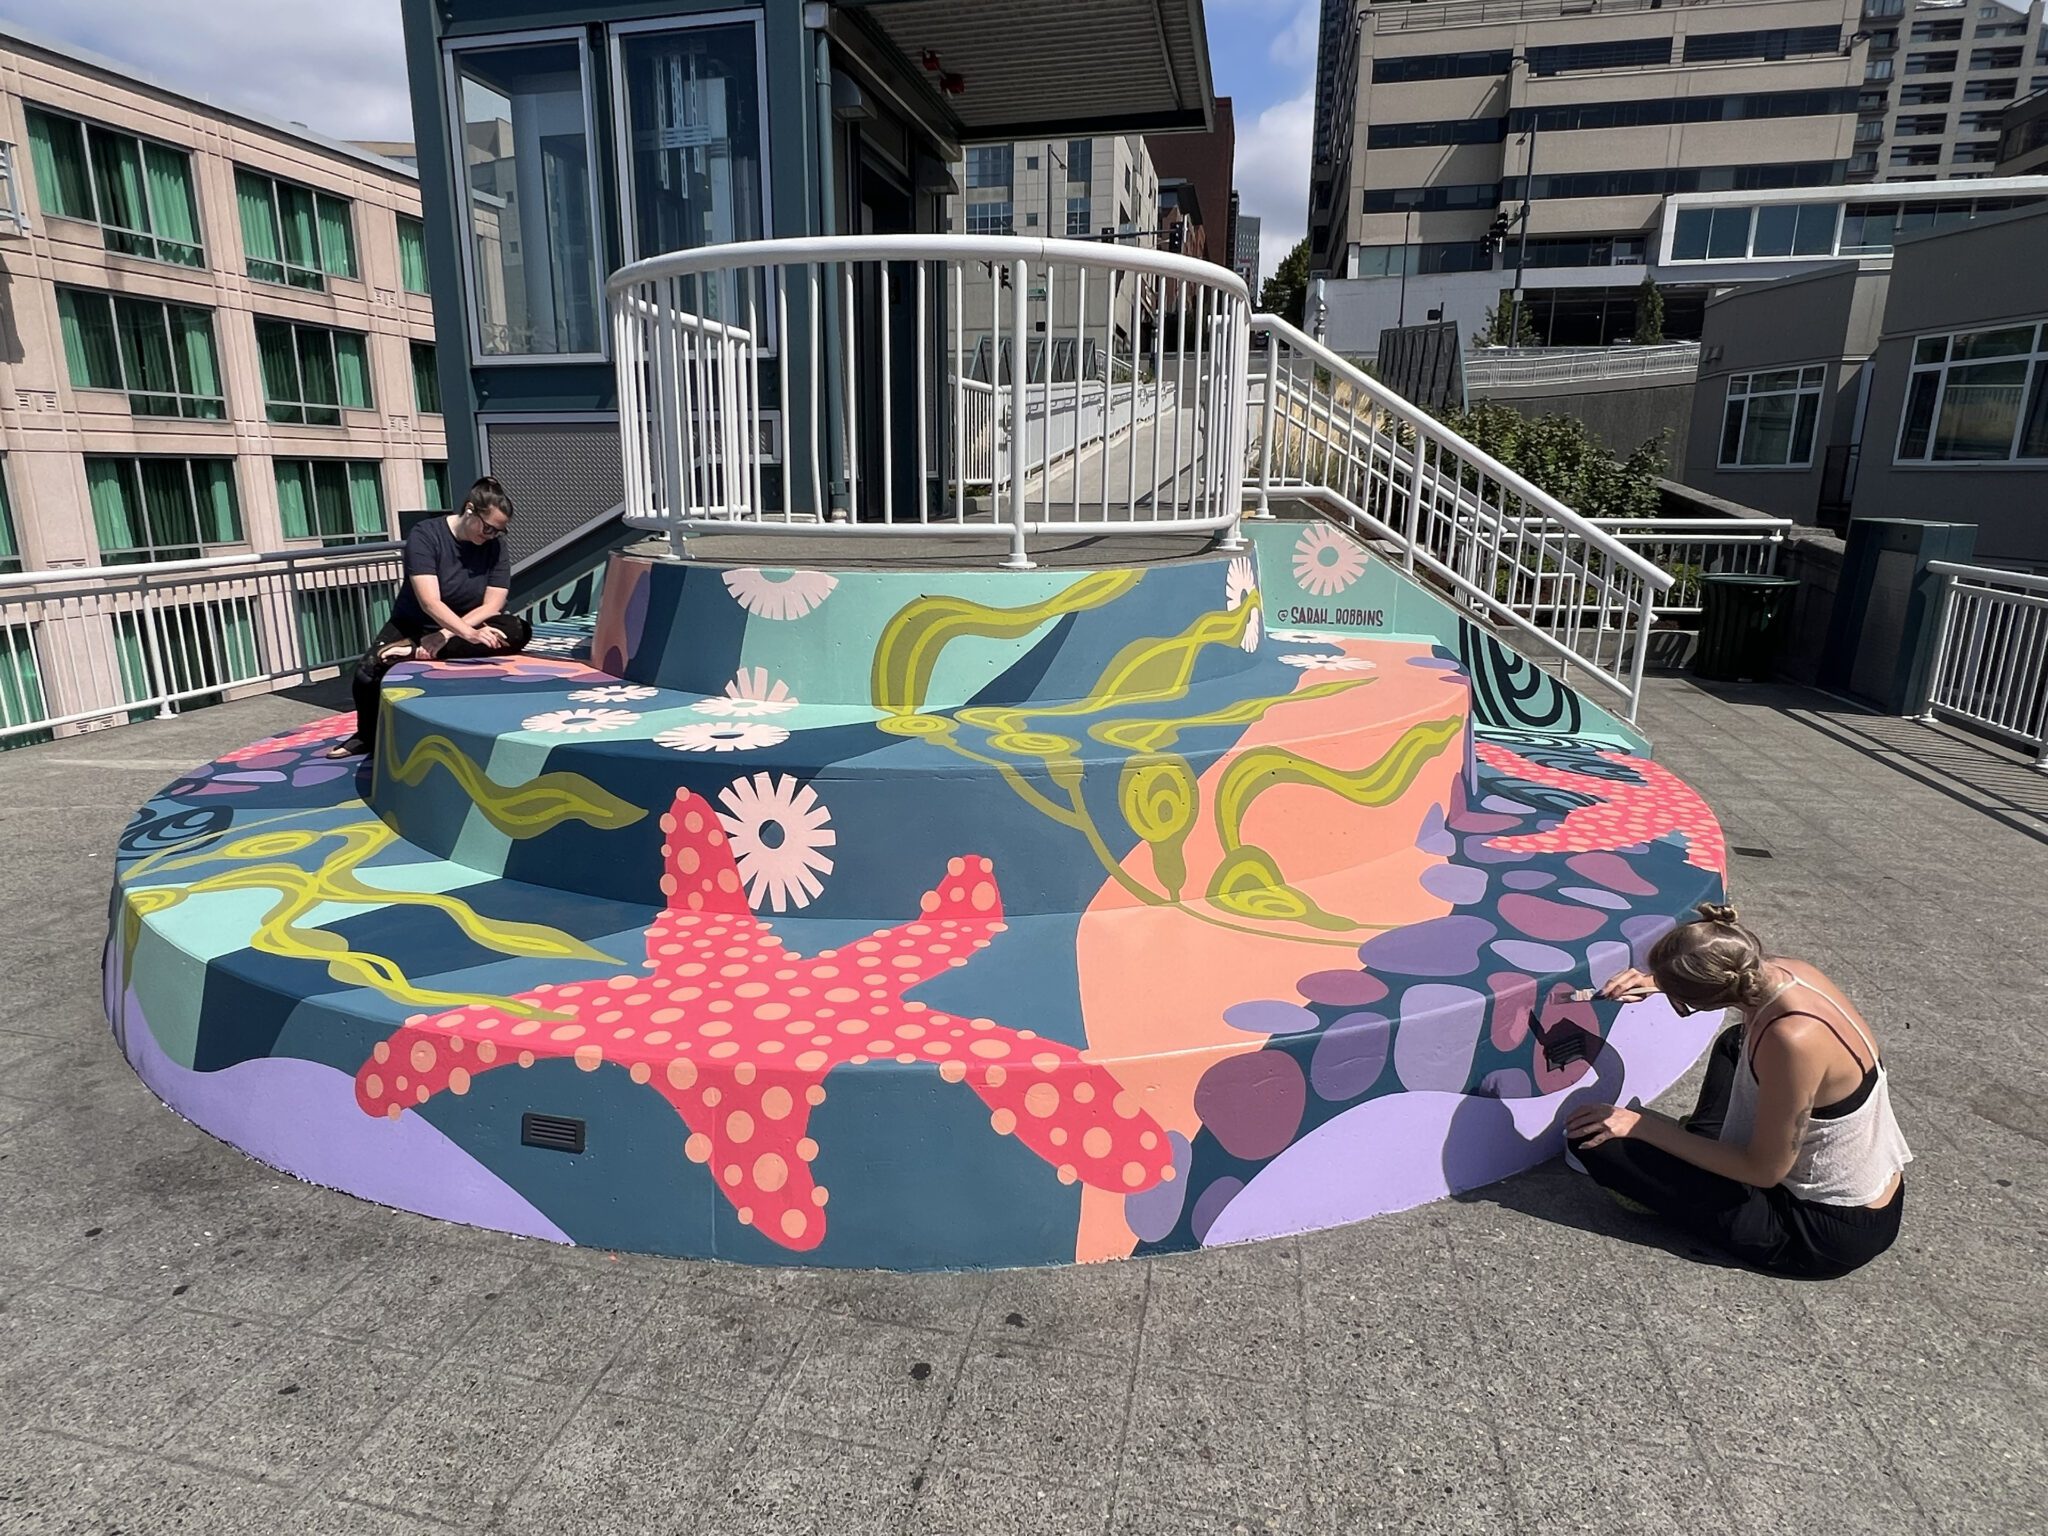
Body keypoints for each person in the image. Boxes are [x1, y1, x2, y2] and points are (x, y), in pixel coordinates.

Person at [1563, 902, 1911, 1279]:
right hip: (1865, 1192)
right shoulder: (1790, 972)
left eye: (1684, 1002)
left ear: (1706, 998)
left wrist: (1642, 1126)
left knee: (1594, 1141)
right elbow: (1719, 971)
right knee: (1736, 1042)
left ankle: (1690, 1166)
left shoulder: (1791, 1041)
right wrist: (1659, 981)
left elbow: (1764, 1171)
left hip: (1815, 1229)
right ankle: (1698, 1152)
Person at [326, 477, 532, 758]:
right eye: (487, 528)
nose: (491, 535)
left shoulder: (494, 546)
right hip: (416, 622)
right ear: (470, 509)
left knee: (518, 630)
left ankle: (414, 650)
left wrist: (449, 634)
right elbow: (429, 602)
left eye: (498, 531)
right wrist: (468, 636)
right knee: (368, 672)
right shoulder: (426, 535)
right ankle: (366, 737)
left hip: (465, 622)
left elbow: (493, 604)